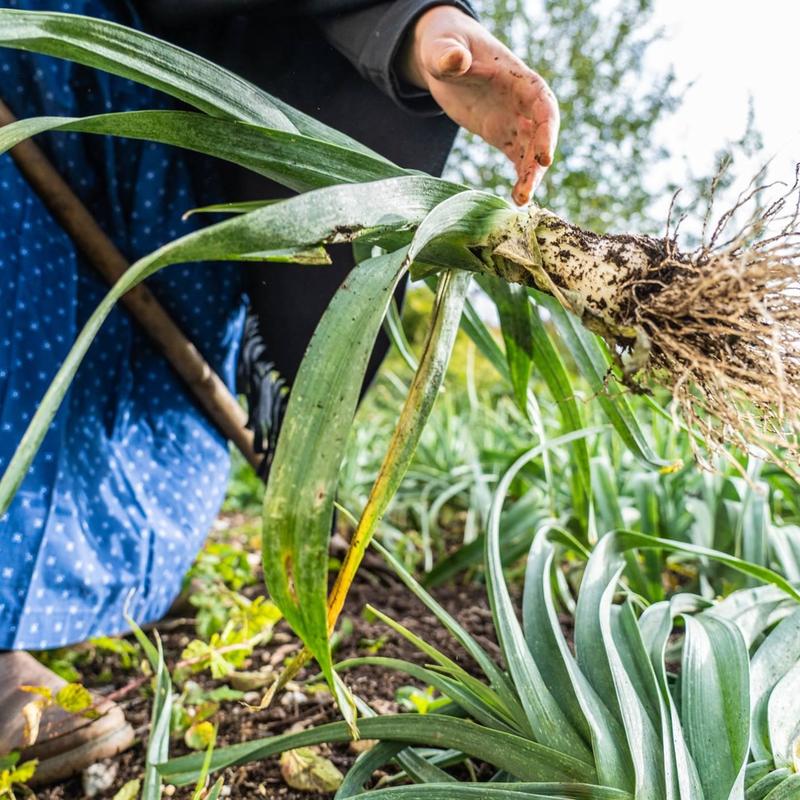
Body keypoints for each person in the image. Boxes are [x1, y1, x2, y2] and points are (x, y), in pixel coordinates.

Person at [0, 0, 559, 783]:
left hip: (161, 83)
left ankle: (88, 585)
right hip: (28, 52)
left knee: (135, 370)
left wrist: (415, 29)